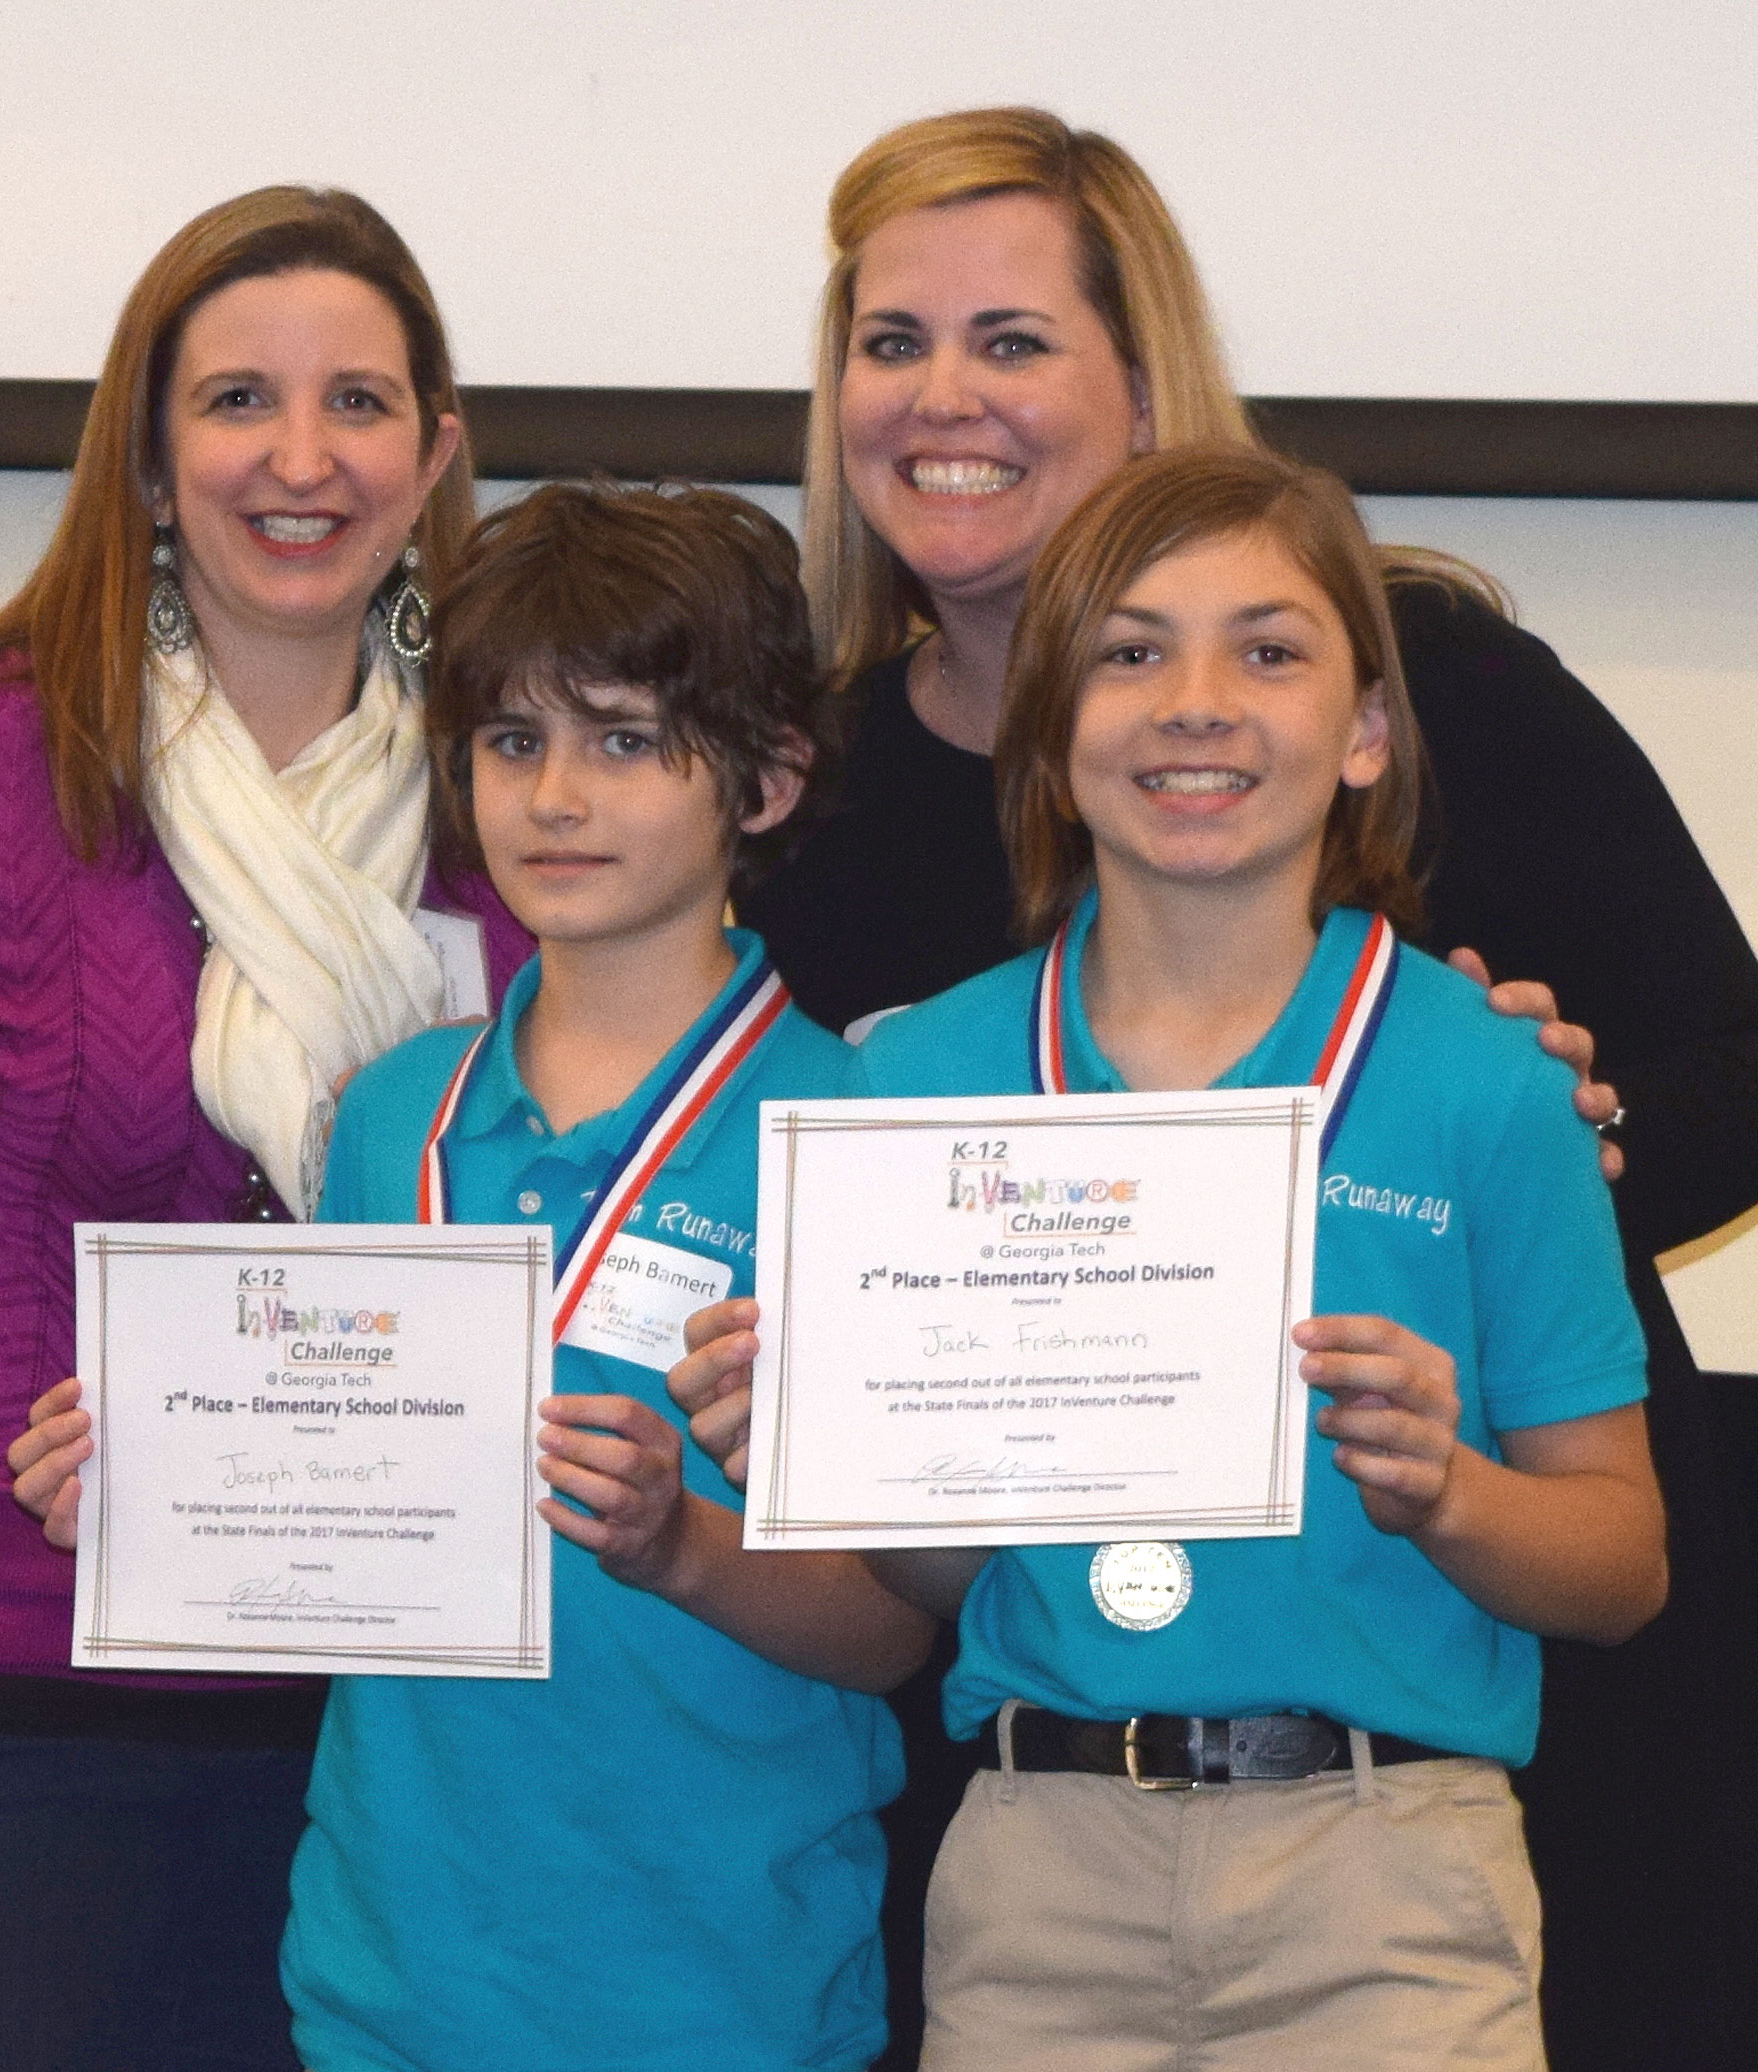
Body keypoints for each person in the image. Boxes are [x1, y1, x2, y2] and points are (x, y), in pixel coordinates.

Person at [737, 106, 1758, 2069]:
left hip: (1454, 1741)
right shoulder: (825, 816)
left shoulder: (1432, 684)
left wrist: (1566, 1131)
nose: (942, 397)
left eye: (1012, 339)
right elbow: (909, 1504)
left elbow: (1726, 1062)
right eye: (891, 341)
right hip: (1055, 1806)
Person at [0, 186, 523, 2072]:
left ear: (437, 456)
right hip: (14, 1709)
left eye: (361, 405)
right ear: (146, 461)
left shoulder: (529, 795)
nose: (301, 459)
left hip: (428, 1724)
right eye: (238, 400)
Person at [280, 481, 924, 2070]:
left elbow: (899, 1632)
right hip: (389, 1981)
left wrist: (682, 1542)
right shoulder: (390, 1119)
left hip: (723, 1991)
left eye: (627, 741)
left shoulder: (856, 1133)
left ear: (767, 782)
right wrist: (156, 1501)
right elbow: (332, 1524)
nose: (556, 796)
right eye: (513, 743)